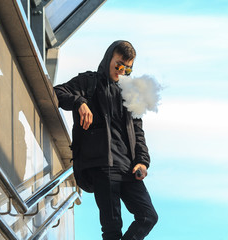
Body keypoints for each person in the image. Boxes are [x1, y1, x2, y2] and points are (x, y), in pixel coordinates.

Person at [54, 40, 158, 240]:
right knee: (112, 227)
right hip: (101, 164)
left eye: (128, 70)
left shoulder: (130, 94)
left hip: (128, 168)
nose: (122, 72)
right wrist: (80, 102)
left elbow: (138, 132)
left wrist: (143, 161)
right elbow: (58, 92)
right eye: (119, 65)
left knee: (148, 216)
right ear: (109, 58)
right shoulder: (89, 81)